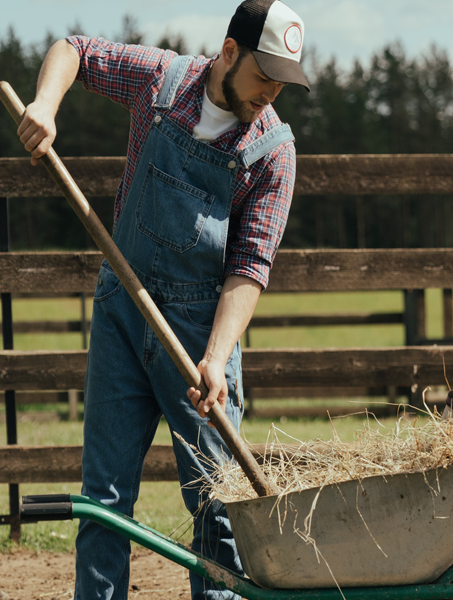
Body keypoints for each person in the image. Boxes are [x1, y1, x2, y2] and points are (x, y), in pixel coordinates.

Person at [17, 1, 310, 598]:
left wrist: (216, 357)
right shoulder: (162, 82)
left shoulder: (272, 151)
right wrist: (45, 106)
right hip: (122, 312)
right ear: (230, 52)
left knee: (220, 514)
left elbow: (249, 270)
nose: (270, 94)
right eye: (263, 75)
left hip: (201, 341)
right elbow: (77, 49)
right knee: (102, 504)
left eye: (283, 82)